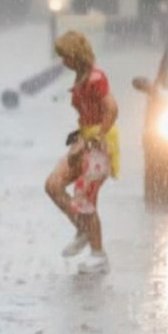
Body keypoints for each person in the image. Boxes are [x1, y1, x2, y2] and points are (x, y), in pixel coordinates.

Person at [44, 31, 119, 273]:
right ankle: (83, 229)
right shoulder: (80, 78)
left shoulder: (96, 79)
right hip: (84, 139)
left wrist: (96, 137)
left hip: (98, 144)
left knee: (85, 196)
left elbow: (111, 109)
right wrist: (79, 137)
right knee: (54, 185)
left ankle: (98, 253)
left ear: (75, 55)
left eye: (65, 56)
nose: (63, 62)